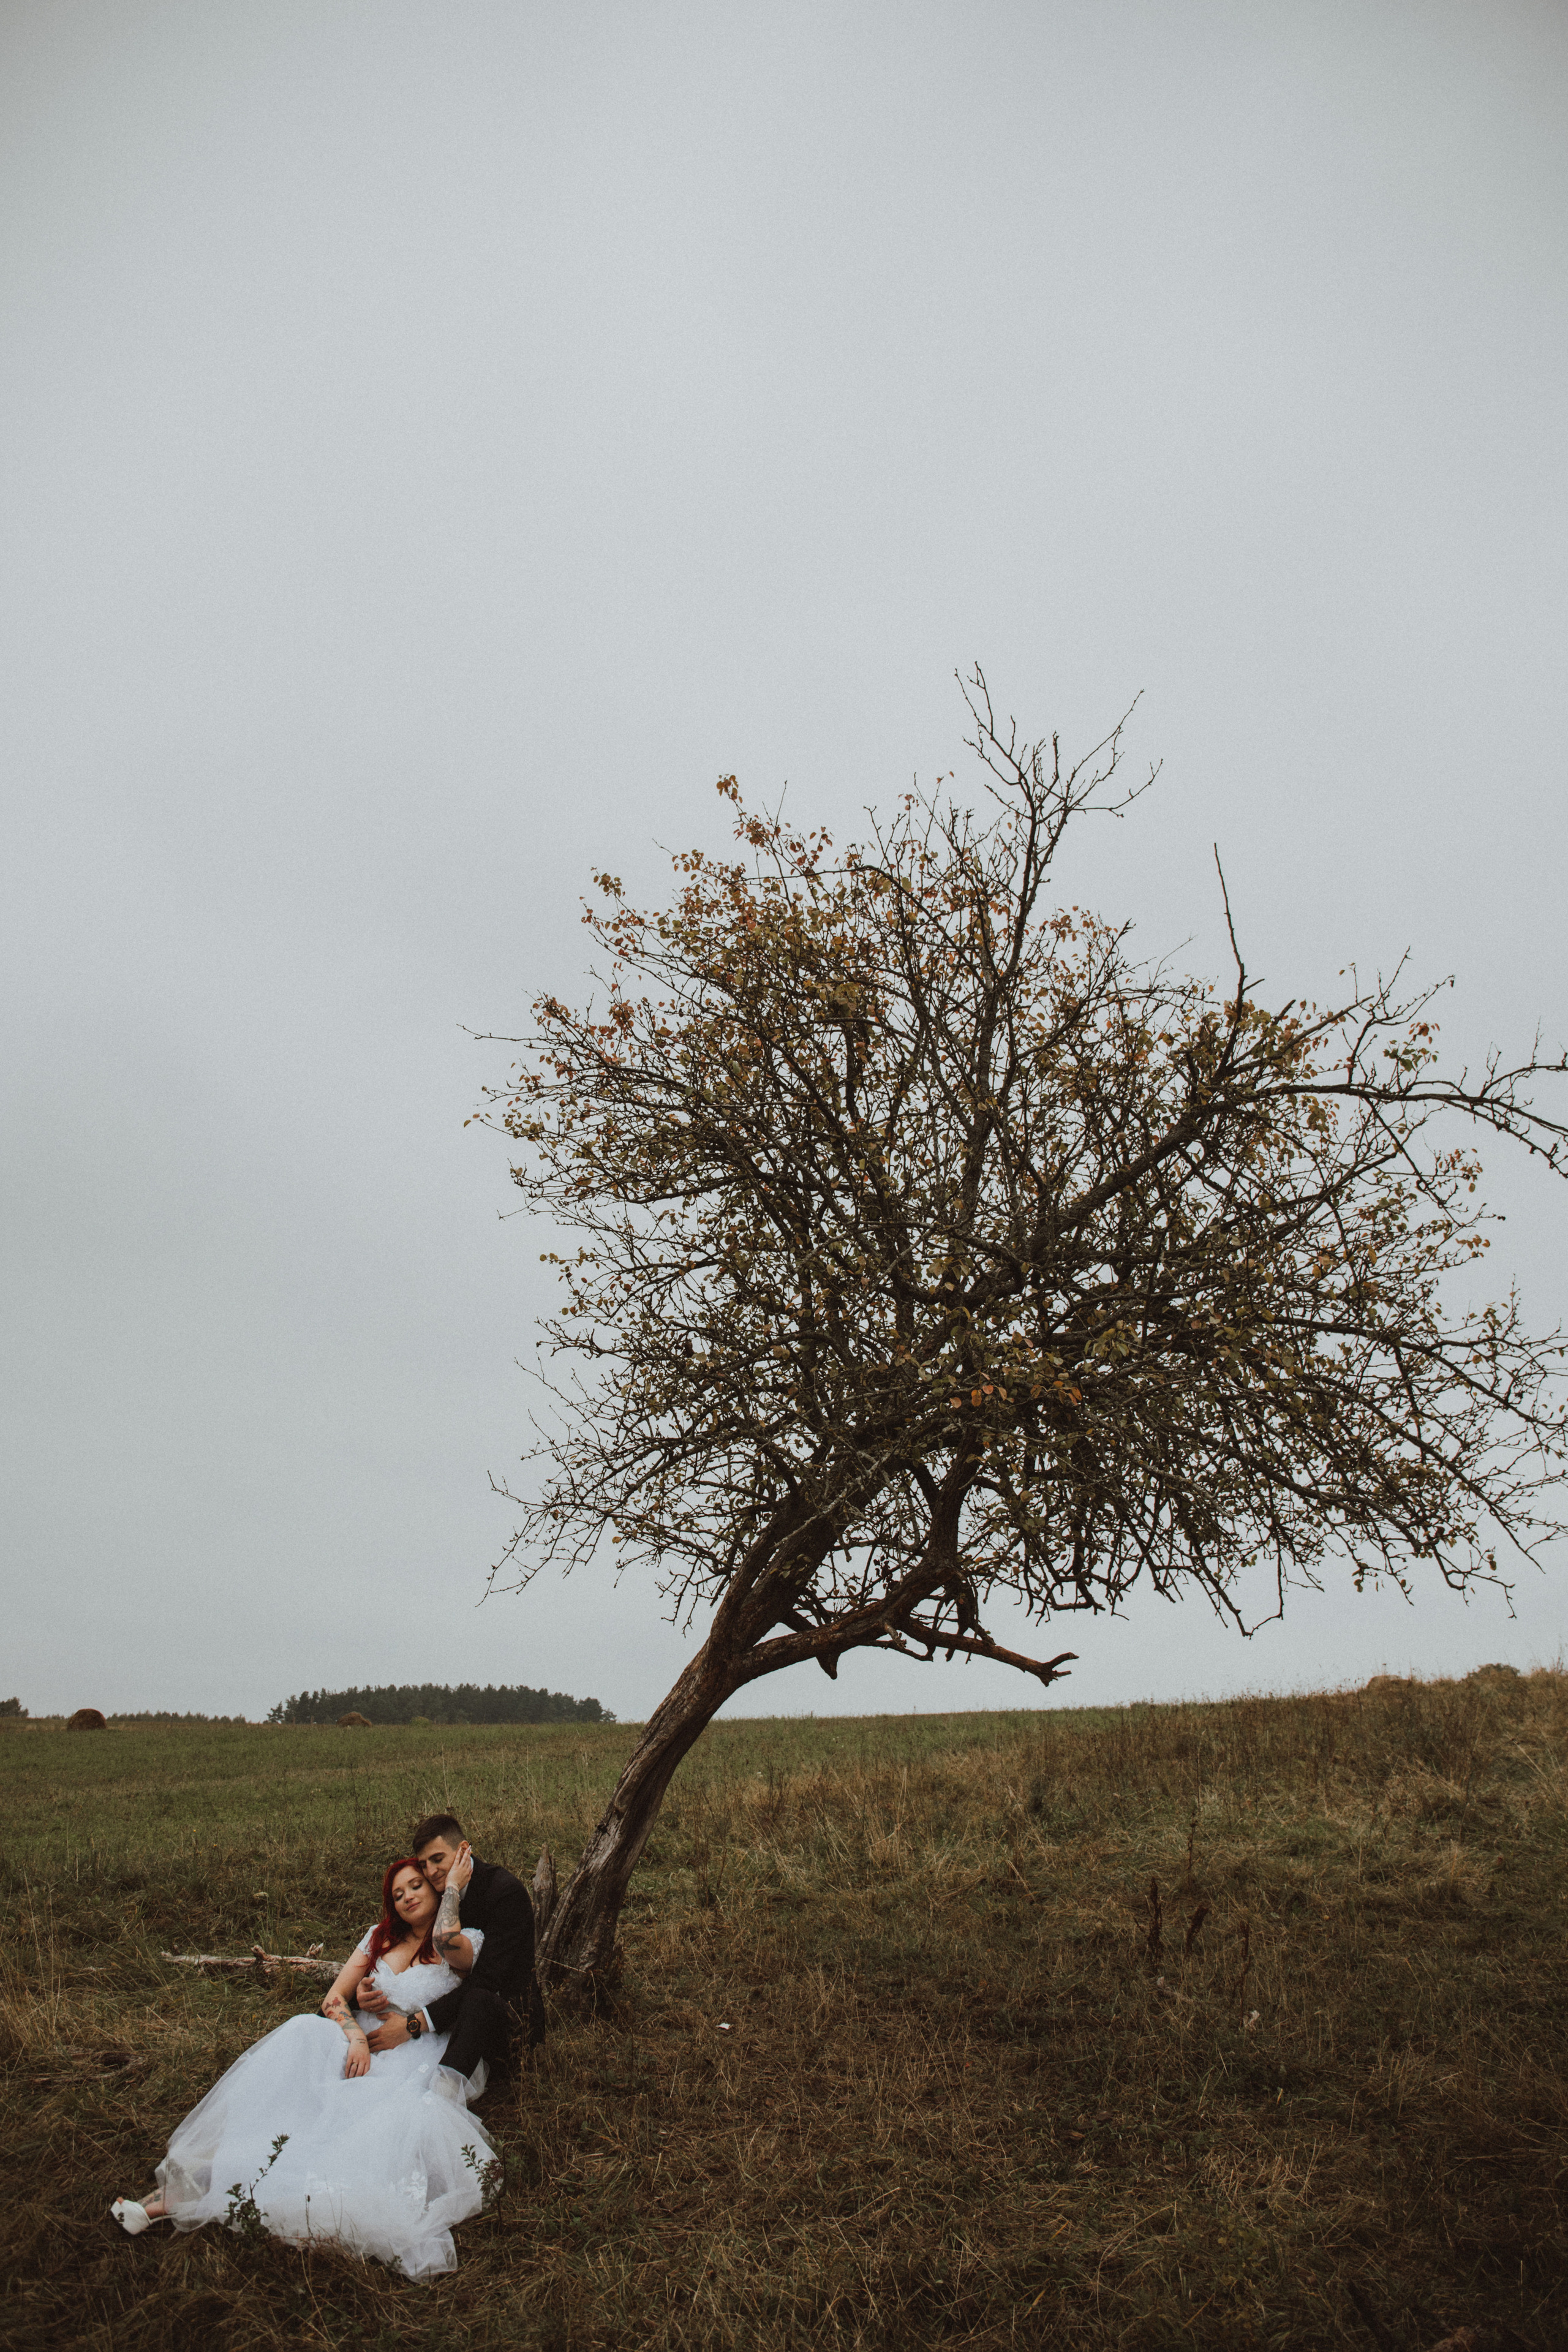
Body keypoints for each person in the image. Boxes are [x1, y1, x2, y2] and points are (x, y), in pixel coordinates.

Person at [108, 1856, 499, 2278]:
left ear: (434, 1887)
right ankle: (199, 2177)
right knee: (302, 2033)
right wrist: (354, 2035)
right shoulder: (379, 1937)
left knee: (359, 2120)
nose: (406, 1897)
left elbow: (472, 1988)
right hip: (362, 2041)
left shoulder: (462, 1939)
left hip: (416, 2050)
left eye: (415, 1886)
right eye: (397, 1894)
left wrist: (453, 1894)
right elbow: (334, 1998)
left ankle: (208, 2196)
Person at [356, 1812, 541, 2086]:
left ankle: (444, 2094)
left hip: (505, 2021)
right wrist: (365, 1986)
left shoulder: (505, 1893)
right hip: (447, 2018)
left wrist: (413, 2025)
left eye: (438, 1859)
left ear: (464, 1850)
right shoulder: (434, 1891)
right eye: (424, 1864)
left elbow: (487, 1982)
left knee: (478, 1999)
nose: (430, 1871)